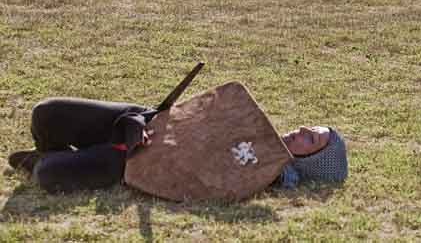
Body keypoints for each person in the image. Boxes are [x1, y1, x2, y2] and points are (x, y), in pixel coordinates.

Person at [8, 91, 346, 193]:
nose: (300, 130)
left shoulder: (266, 176)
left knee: (48, 174)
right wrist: (141, 120)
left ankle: (50, 160)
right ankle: (57, 153)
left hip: (138, 161)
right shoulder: (250, 119)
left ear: (309, 160)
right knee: (46, 113)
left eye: (310, 138)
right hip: (144, 120)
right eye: (308, 128)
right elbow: (193, 115)